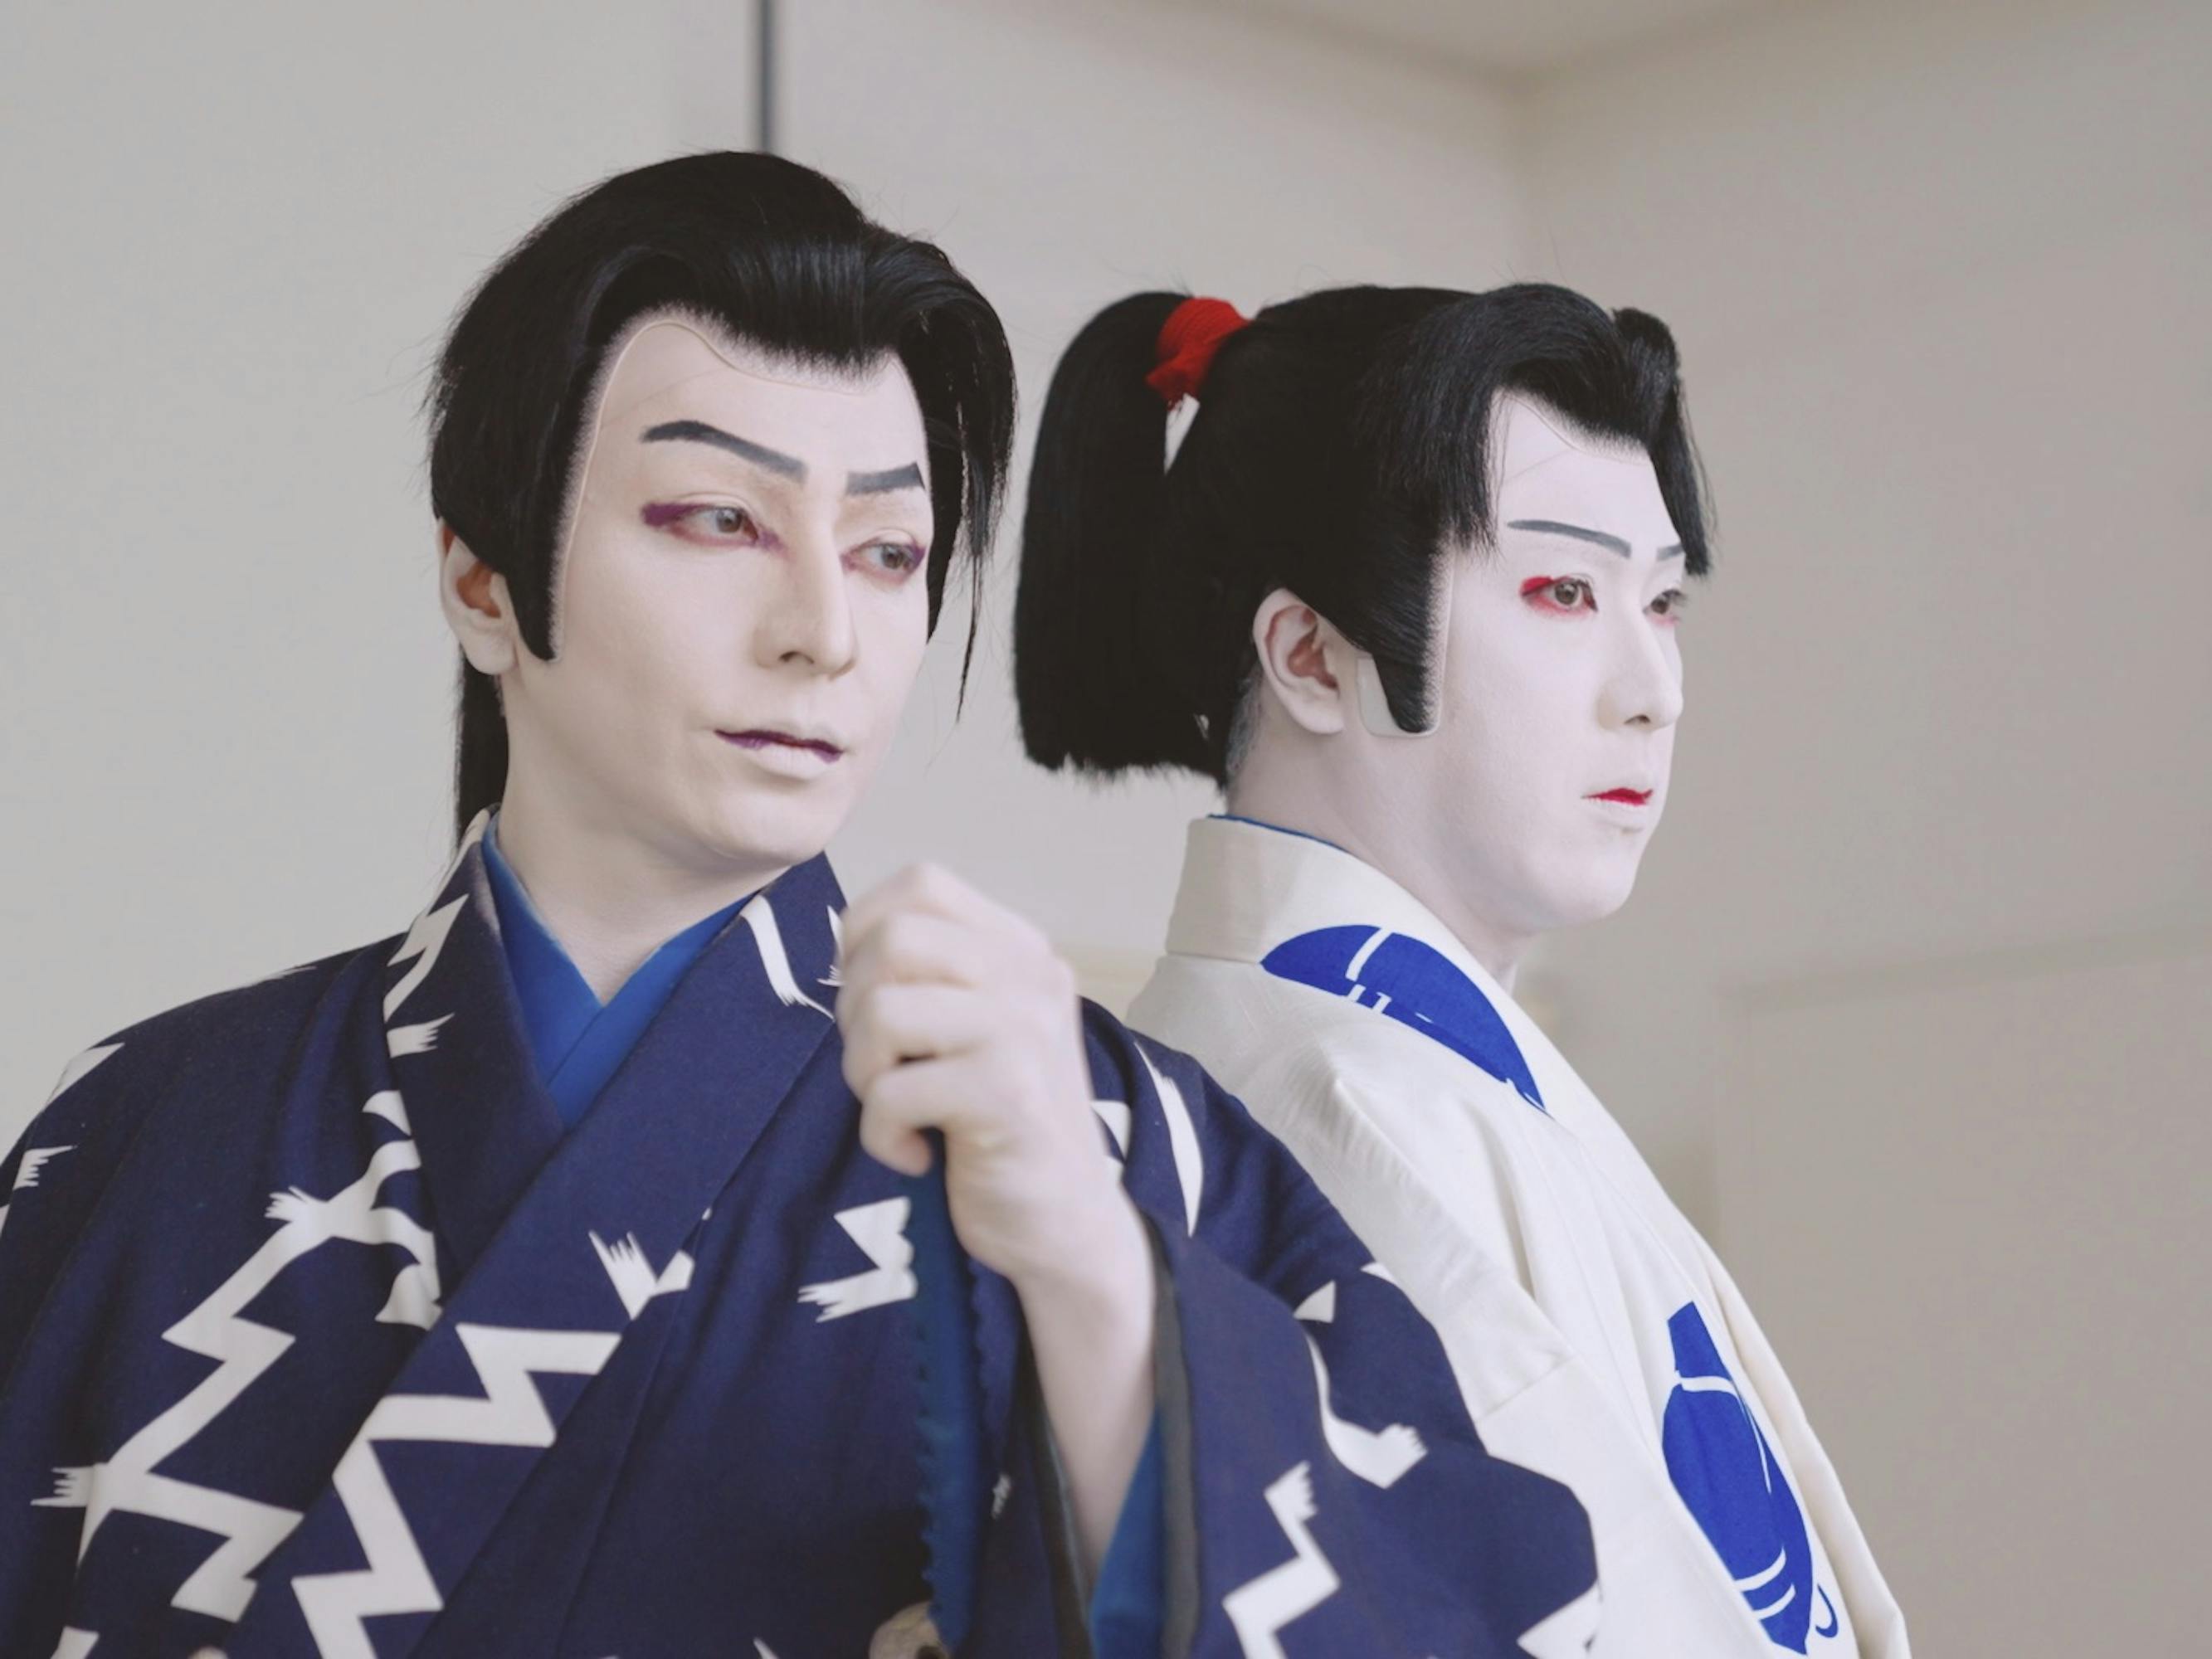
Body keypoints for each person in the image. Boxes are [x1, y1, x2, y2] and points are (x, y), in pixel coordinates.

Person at [0, 156, 1598, 1659]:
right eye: (716, 520)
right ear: (484, 583)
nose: (823, 630)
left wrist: (1098, 1290)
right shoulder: (148, 1134)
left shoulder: (1119, 1149)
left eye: (891, 548)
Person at [1015, 284, 1909, 1657]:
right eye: (1561, 590)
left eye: (1660, 599)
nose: (1652, 686)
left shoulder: (1412, 1069)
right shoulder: (1335, 1105)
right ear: (1309, 653)